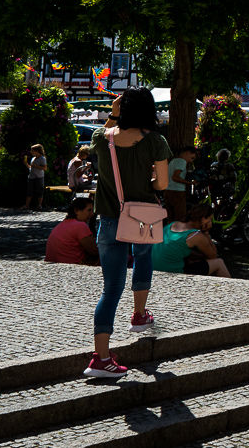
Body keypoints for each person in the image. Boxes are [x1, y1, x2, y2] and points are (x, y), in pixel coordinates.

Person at [87, 87, 170, 379]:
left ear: (123, 109)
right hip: (143, 216)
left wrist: (113, 111)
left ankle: (101, 358)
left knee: (110, 290)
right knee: (144, 255)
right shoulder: (155, 142)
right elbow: (162, 184)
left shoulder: (102, 138)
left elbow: (101, 135)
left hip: (109, 220)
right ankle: (139, 315)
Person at [153, 204, 232, 278]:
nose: (211, 222)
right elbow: (213, 255)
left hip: (153, 268)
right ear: (203, 218)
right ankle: (230, 289)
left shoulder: (173, 224)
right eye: (210, 219)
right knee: (219, 263)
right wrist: (207, 233)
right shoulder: (196, 235)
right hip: (172, 272)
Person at [46, 197, 100, 265]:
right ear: (76, 211)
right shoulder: (80, 226)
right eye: (89, 210)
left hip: (53, 262)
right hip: (72, 263)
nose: (92, 214)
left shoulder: (63, 224)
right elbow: (93, 250)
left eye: (92, 211)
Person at [164, 144, 193, 221]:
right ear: (187, 153)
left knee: (170, 218)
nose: (191, 161)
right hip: (177, 192)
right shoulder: (182, 161)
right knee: (180, 218)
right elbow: (175, 177)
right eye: (192, 158)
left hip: (168, 190)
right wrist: (189, 183)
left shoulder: (173, 161)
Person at [25, 144, 48, 209]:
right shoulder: (33, 158)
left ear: (37, 151)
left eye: (32, 150)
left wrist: (35, 166)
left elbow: (45, 168)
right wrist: (27, 165)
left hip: (39, 177)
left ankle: (39, 205)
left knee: (39, 191)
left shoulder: (42, 158)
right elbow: (31, 167)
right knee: (29, 191)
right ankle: (27, 205)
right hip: (31, 177)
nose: (31, 152)